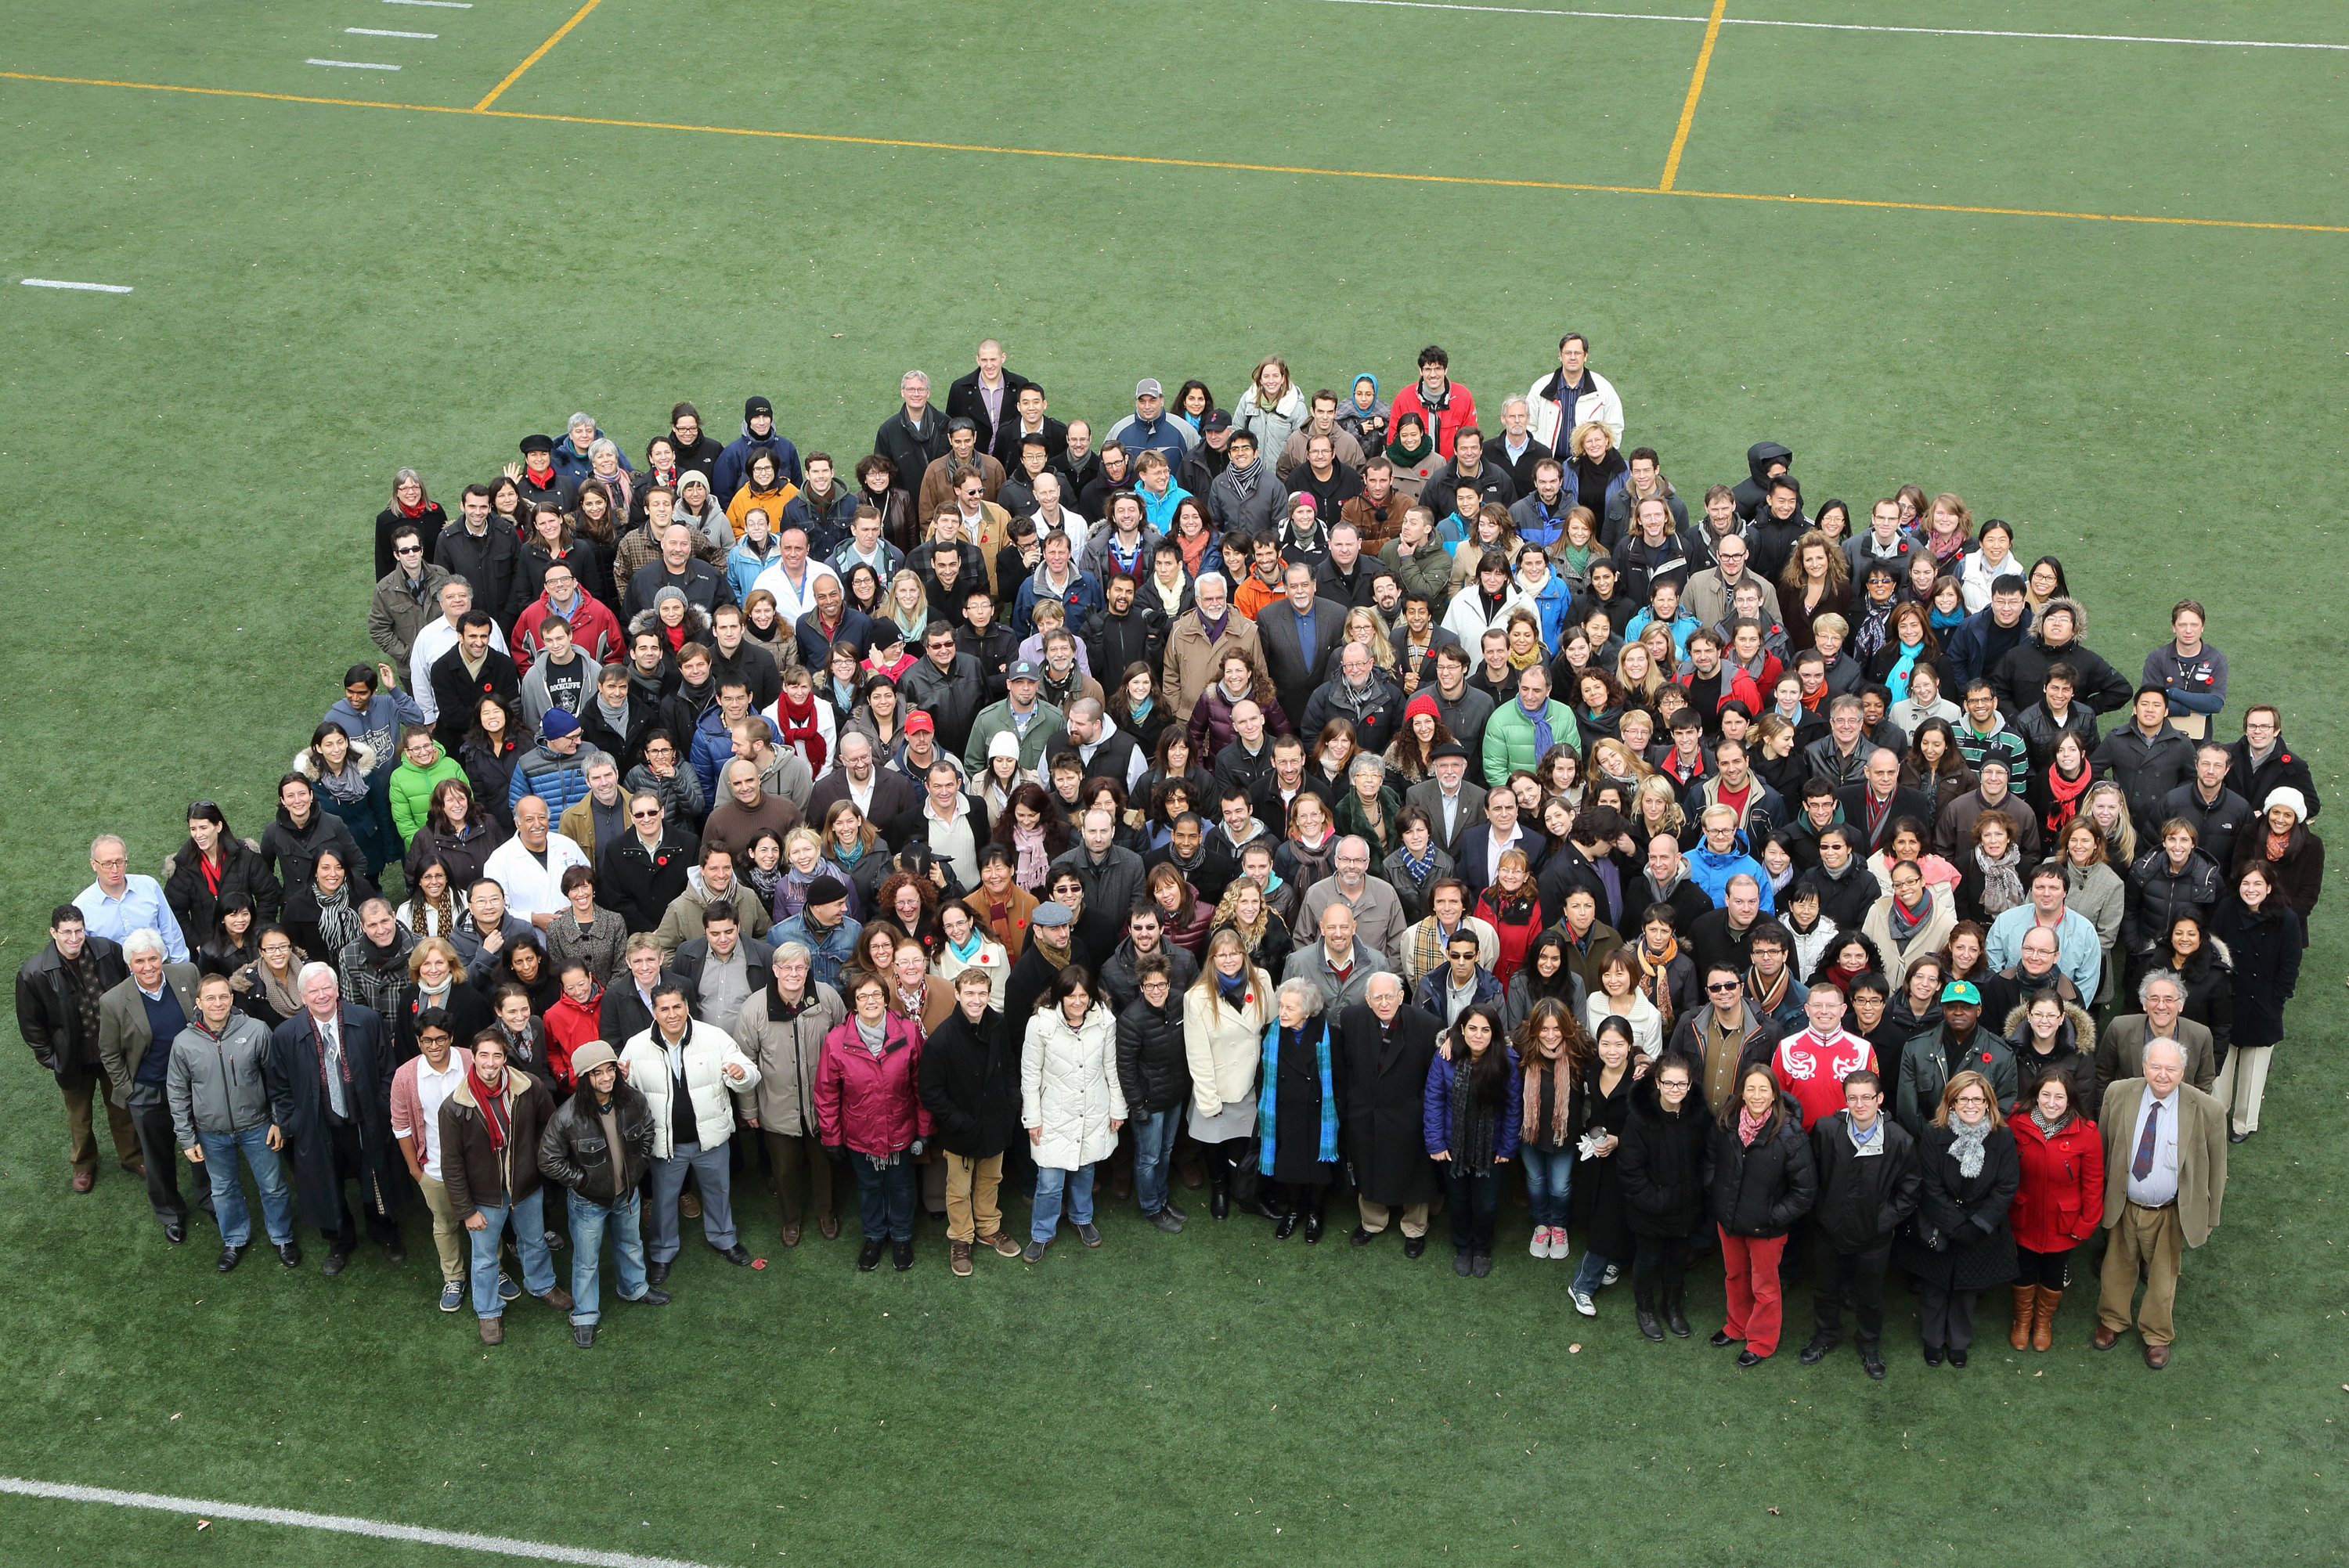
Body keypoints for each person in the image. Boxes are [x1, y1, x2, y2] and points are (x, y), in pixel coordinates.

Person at [2094, 1036, 2227, 1369]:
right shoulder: (2118, 1093)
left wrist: (2211, 1216)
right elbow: (2102, 1147)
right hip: (2123, 1204)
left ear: (2184, 1071)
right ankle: (2112, 1320)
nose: (2162, 1075)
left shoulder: (2207, 1109)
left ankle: (2156, 1336)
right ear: (2144, 1067)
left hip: (2170, 1212)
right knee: (2116, 1266)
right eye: (2155, 1066)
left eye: (2171, 1068)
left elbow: (2218, 1168)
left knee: (2164, 1278)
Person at [619, 982, 760, 1282]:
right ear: (654, 1012)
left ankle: (724, 1238)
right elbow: (626, 1093)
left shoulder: (714, 1037)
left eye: (677, 1006)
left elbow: (750, 1073)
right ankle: (662, 1252)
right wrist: (622, 1080)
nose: (672, 1014)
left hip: (711, 1138)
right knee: (664, 1200)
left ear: (687, 1007)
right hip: (665, 1143)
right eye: (664, 1009)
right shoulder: (636, 1045)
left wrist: (741, 1074)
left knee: (718, 1193)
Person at [269, 963, 402, 1274]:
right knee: (325, 1183)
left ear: (337, 989)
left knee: (375, 1177)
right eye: (313, 991)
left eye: (326, 988)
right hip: (318, 1126)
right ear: (302, 997)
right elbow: (279, 1085)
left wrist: (382, 1110)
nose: (321, 995)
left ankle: (383, 1232)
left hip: (364, 1120)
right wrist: (295, 1123)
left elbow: (388, 1071)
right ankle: (339, 1241)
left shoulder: (367, 1021)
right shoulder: (286, 1035)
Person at [536, 1040, 666, 1348]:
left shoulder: (632, 1100)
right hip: (588, 1203)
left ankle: (634, 1288)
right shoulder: (567, 1116)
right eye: (598, 1073)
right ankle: (585, 1315)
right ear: (584, 1078)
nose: (607, 1077)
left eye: (610, 1070)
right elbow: (547, 1159)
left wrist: (639, 1163)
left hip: (627, 1194)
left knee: (631, 1244)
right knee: (586, 1261)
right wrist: (581, 1181)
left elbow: (648, 1129)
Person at [438, 1030, 565, 1343]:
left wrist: (533, 1160)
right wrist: (466, 1210)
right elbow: (452, 1165)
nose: (490, 1063)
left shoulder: (529, 1087)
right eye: (484, 1055)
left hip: (525, 1187)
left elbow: (549, 1126)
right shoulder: (454, 1107)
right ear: (473, 1057)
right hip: (484, 1197)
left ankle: (543, 1285)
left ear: (504, 1058)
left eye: (497, 1056)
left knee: (534, 1241)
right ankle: (488, 1312)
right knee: (484, 1258)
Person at [168, 971, 300, 1272]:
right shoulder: (184, 1043)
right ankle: (235, 1240)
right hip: (211, 1133)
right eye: (211, 998)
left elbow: (277, 1080)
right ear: (199, 1002)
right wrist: (187, 1138)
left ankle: (282, 1237)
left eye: (224, 996)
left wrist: (278, 1121)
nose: (218, 1003)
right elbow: (176, 1092)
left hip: (257, 1126)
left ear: (232, 998)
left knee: (274, 1186)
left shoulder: (256, 1030)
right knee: (223, 1190)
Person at [1799, 1069, 1919, 1378]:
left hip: (1874, 1236)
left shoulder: (1899, 1139)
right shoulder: (1827, 1129)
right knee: (1825, 1289)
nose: (1860, 1104)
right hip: (1830, 1230)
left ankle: (1868, 1344)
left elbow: (1910, 1189)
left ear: (1880, 1099)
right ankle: (1825, 1335)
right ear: (1846, 1099)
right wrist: (1823, 1213)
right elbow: (1811, 1176)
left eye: (1867, 1097)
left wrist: (1882, 1221)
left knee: (1871, 1296)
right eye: (1853, 1098)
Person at [1897, 1071, 2019, 1368]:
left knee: (1967, 1290)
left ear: (1988, 1103)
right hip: (1939, 1225)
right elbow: (1930, 1185)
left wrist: (1977, 1225)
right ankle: (1933, 1340)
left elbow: (2006, 1186)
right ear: (1951, 1103)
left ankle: (1959, 1342)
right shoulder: (1933, 1133)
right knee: (1934, 1288)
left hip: (1980, 1228)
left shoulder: (2002, 1137)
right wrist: (1954, 1225)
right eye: (1963, 1099)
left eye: (1978, 1099)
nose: (1971, 1105)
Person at [16, 907, 140, 1195]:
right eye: (67, 932)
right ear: (53, 933)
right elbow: (31, 1026)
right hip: (72, 1057)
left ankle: (132, 1157)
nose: (74, 938)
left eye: (79, 930)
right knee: (80, 1116)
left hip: (112, 1050)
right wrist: (53, 1058)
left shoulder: (108, 952)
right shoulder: (33, 973)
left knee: (122, 1107)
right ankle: (83, 1165)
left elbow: (129, 992)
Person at [814, 969, 928, 1271]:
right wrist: (831, 1137)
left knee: (902, 1185)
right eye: (862, 996)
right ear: (852, 1003)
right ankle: (875, 1236)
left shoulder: (908, 1033)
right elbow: (826, 1093)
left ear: (886, 998)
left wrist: (925, 1130)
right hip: (860, 1133)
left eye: (876, 994)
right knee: (868, 1186)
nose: (870, 1001)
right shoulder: (836, 1041)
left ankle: (902, 1237)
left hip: (901, 1129)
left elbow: (921, 1086)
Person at [1706, 1062, 1817, 1365]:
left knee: (1765, 1287)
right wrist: (1718, 1196)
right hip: (1729, 1221)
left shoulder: (1790, 1134)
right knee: (1734, 1275)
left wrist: (1772, 1216)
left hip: (1767, 1228)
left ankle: (1762, 1341)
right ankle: (1736, 1326)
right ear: (1741, 1091)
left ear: (1774, 1095)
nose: (1756, 1096)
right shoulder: (1726, 1122)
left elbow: (1804, 1191)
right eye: (1750, 1088)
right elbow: (1710, 1161)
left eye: (1763, 1089)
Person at [919, 967, 1027, 1272]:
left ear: (989, 995)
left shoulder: (998, 1025)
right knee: (958, 1187)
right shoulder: (941, 1040)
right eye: (969, 993)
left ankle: (989, 1228)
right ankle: (961, 1238)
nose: (976, 1000)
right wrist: (960, 1122)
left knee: (991, 1180)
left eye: (982, 993)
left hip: (996, 1122)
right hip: (960, 1129)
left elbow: (1008, 1066)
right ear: (957, 994)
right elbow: (931, 1093)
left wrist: (1012, 1103)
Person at [1020, 966, 1124, 1261]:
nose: (1078, 1002)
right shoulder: (1039, 1025)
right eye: (1071, 996)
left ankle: (1082, 1218)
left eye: (1084, 995)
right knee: (1050, 1181)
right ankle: (1042, 1233)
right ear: (1059, 997)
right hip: (1053, 1112)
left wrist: (1117, 1108)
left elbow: (1111, 1067)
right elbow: (1030, 1074)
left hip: (1092, 1110)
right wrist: (1033, 1118)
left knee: (1085, 1169)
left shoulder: (1105, 1021)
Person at [2007, 1069, 2104, 1353]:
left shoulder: (2087, 1133)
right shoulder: (2016, 1122)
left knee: (2052, 1274)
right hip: (2023, 1217)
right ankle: (2022, 1321)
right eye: (2046, 1095)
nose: (2051, 1102)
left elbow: (2094, 1183)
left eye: (2059, 1097)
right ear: (2036, 1096)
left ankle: (2043, 1323)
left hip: (2063, 1222)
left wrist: (2087, 1223)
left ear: (2070, 1099)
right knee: (2023, 1272)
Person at [1423, 1004, 1521, 1278]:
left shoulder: (1507, 1061)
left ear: (1495, 1033)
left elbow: (1514, 1107)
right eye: (1473, 1028)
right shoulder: (1445, 1058)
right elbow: (1433, 1101)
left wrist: (1507, 1146)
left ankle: (1482, 1249)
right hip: (1453, 1145)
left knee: (1487, 1203)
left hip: (1491, 1147)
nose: (1478, 1035)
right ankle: (1463, 1247)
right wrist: (1436, 1144)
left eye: (1486, 1030)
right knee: (1459, 1199)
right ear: (1462, 1030)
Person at [1185, 926, 1276, 1221]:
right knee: (1214, 1144)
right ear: (1211, 959)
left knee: (1244, 1145)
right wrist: (1208, 1099)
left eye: (1234, 953)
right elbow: (1197, 1053)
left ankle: (1245, 1193)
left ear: (1243, 954)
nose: (1228, 960)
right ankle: (1220, 1191)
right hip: (1216, 1084)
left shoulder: (1261, 980)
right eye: (1221, 955)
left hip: (1250, 1083)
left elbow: (1273, 1026)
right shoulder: (1197, 997)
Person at [2209, 862, 2303, 1142]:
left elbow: (2290, 965)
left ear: (2269, 888)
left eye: (2257, 884)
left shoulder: (2286, 919)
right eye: (2246, 884)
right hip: (2228, 998)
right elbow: (2213, 948)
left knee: (2254, 1068)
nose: (2251, 890)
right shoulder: (2227, 909)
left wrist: (2277, 1001)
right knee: (2221, 1065)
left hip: (2263, 1004)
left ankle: (2243, 1124)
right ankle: (2216, 1115)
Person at [1260, 979, 1340, 1242]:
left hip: (1318, 1116)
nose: (1282, 1012)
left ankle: (1316, 1213)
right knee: (1290, 1165)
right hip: (1285, 1114)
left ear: (1306, 1012)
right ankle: (1294, 1210)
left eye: (1290, 1008)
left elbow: (1339, 1079)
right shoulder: (1271, 1035)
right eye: (1281, 1006)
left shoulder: (1330, 1036)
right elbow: (1263, 1077)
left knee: (1317, 1169)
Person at [78, 834, 189, 964]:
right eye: (107, 864)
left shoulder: (149, 886)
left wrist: (181, 968)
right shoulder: (82, 906)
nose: (115, 869)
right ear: (93, 864)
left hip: (156, 970)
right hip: (116, 979)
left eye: (119, 862)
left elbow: (170, 930)